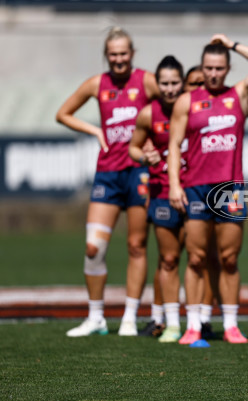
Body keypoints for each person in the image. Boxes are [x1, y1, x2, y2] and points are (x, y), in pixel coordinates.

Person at [168, 33, 248, 344]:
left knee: (228, 259)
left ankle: (230, 324)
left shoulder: (238, 95)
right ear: (201, 68)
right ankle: (192, 325)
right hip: (197, 188)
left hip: (231, 190)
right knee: (197, 257)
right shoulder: (187, 101)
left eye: (219, 67)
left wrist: (232, 45)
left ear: (227, 68)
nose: (214, 73)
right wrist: (175, 184)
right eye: (208, 68)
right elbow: (174, 145)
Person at [56, 27, 160, 337]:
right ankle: (96, 316)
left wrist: (156, 140)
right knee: (93, 247)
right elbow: (63, 113)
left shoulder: (146, 81)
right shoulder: (96, 84)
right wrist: (95, 131)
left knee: (136, 245)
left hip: (139, 173)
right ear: (107, 56)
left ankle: (129, 317)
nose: (118, 59)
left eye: (123, 53)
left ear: (132, 54)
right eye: (113, 54)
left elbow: (174, 106)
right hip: (108, 174)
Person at [129, 55, 187, 343]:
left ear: (183, 83)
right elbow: (133, 149)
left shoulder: (193, 106)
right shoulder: (148, 113)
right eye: (164, 83)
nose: (169, 88)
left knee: (201, 259)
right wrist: (145, 156)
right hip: (162, 192)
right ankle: (170, 322)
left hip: (196, 190)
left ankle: (202, 322)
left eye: (175, 82)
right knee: (168, 258)